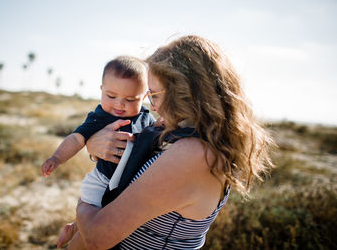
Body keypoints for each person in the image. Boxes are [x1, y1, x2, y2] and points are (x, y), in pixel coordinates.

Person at [58, 35, 275, 249]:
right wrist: (94, 146)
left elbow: (97, 237)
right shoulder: (186, 138)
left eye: (154, 95)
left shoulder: (193, 155)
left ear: (182, 92)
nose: (152, 106)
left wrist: (86, 202)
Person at [41, 56, 155, 234]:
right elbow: (76, 139)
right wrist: (57, 158)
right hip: (102, 181)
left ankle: (77, 229)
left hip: (130, 184)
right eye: (111, 96)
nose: (119, 104)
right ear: (101, 90)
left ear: (144, 97)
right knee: (94, 224)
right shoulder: (100, 116)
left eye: (131, 99)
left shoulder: (146, 118)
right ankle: (74, 230)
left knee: (116, 224)